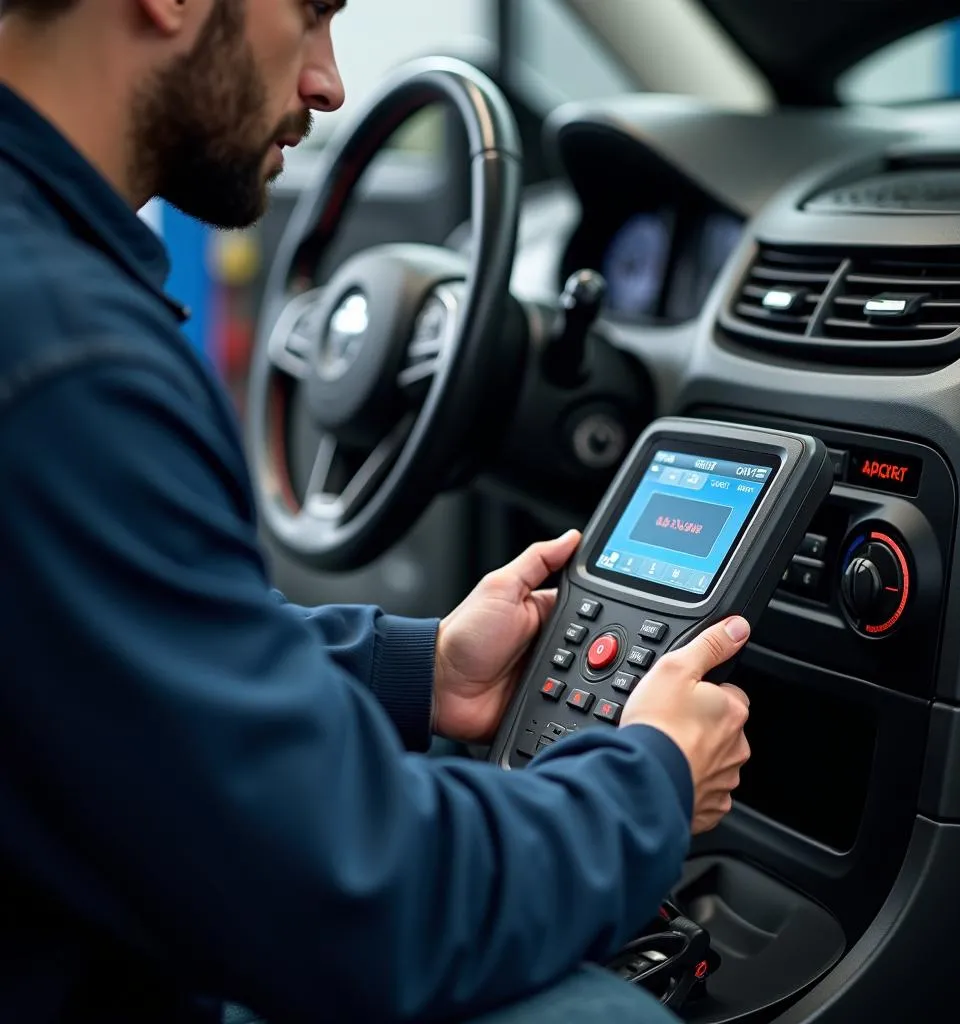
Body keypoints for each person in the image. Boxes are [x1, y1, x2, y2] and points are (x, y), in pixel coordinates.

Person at [0, 2, 752, 1022]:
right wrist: (649, 785)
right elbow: (365, 902)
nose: (328, 83)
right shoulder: (69, 364)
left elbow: (112, 656)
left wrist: (421, 666)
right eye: (310, 15)